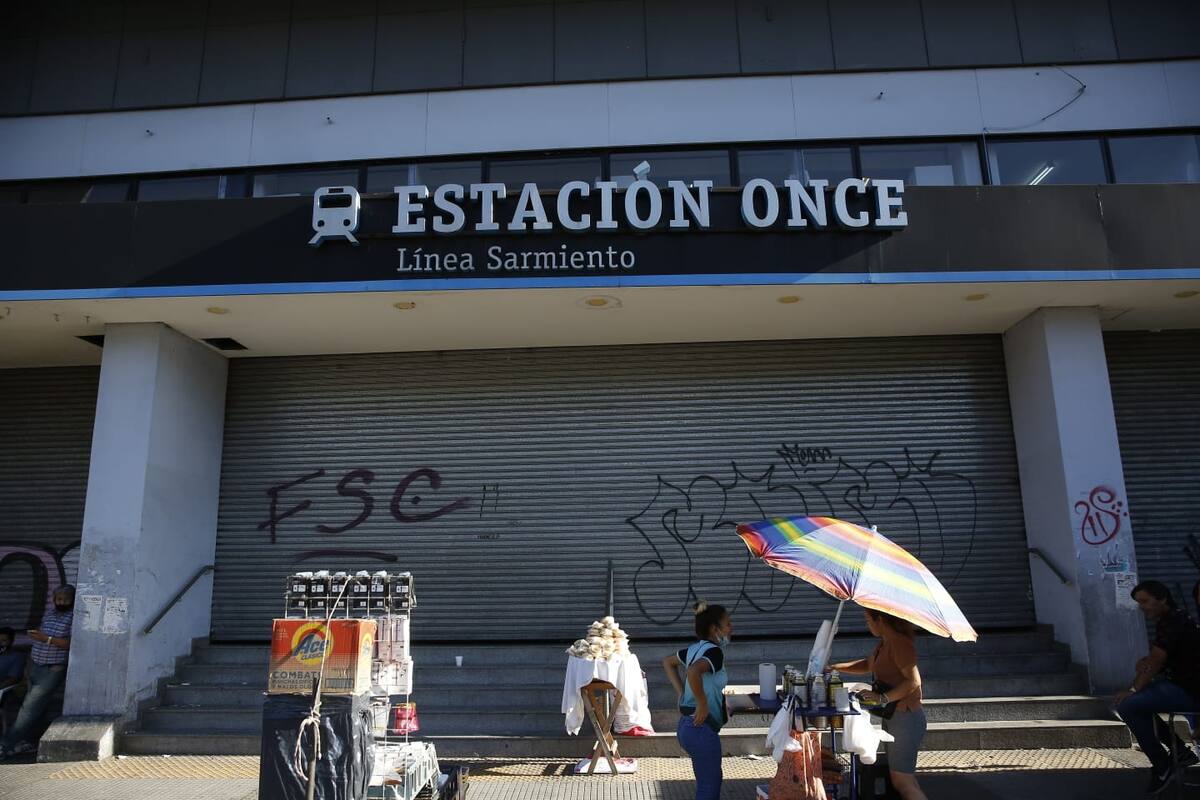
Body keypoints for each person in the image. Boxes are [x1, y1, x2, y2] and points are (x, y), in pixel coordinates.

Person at [832, 608, 928, 800]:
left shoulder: (900, 643)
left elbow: (914, 681)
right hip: (894, 716)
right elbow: (868, 665)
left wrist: (882, 698)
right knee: (904, 778)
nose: (867, 625)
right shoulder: (884, 644)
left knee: (902, 781)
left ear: (881, 620)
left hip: (906, 717)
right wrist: (835, 667)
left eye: (869, 620)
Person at [1115, 580, 1200, 796]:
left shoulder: (1174, 621)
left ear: (1161, 598)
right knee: (1138, 701)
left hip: (1189, 691)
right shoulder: (1171, 621)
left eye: (1145, 601)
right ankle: (1179, 752)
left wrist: (1133, 690)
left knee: (1129, 705)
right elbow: (1161, 658)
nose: (1143, 607)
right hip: (1180, 684)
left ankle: (1163, 765)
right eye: (1139, 603)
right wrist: (1147, 662)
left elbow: (1157, 660)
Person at [661, 601, 732, 800]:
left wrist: (682, 694)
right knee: (708, 789)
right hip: (701, 729)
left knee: (709, 781)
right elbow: (693, 671)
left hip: (688, 727)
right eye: (727, 624)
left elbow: (667, 662)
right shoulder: (714, 652)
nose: (731, 628)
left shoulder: (694, 650)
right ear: (714, 629)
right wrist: (702, 703)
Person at [0, 586, 75, 759]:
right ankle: (29, 741)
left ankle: (5, 744)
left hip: (52, 668)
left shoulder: (73, 617)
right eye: (59, 599)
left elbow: (69, 643)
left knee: (30, 707)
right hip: (35, 664)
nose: (61, 602)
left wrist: (46, 639)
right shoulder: (50, 614)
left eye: (65, 599)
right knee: (38, 708)